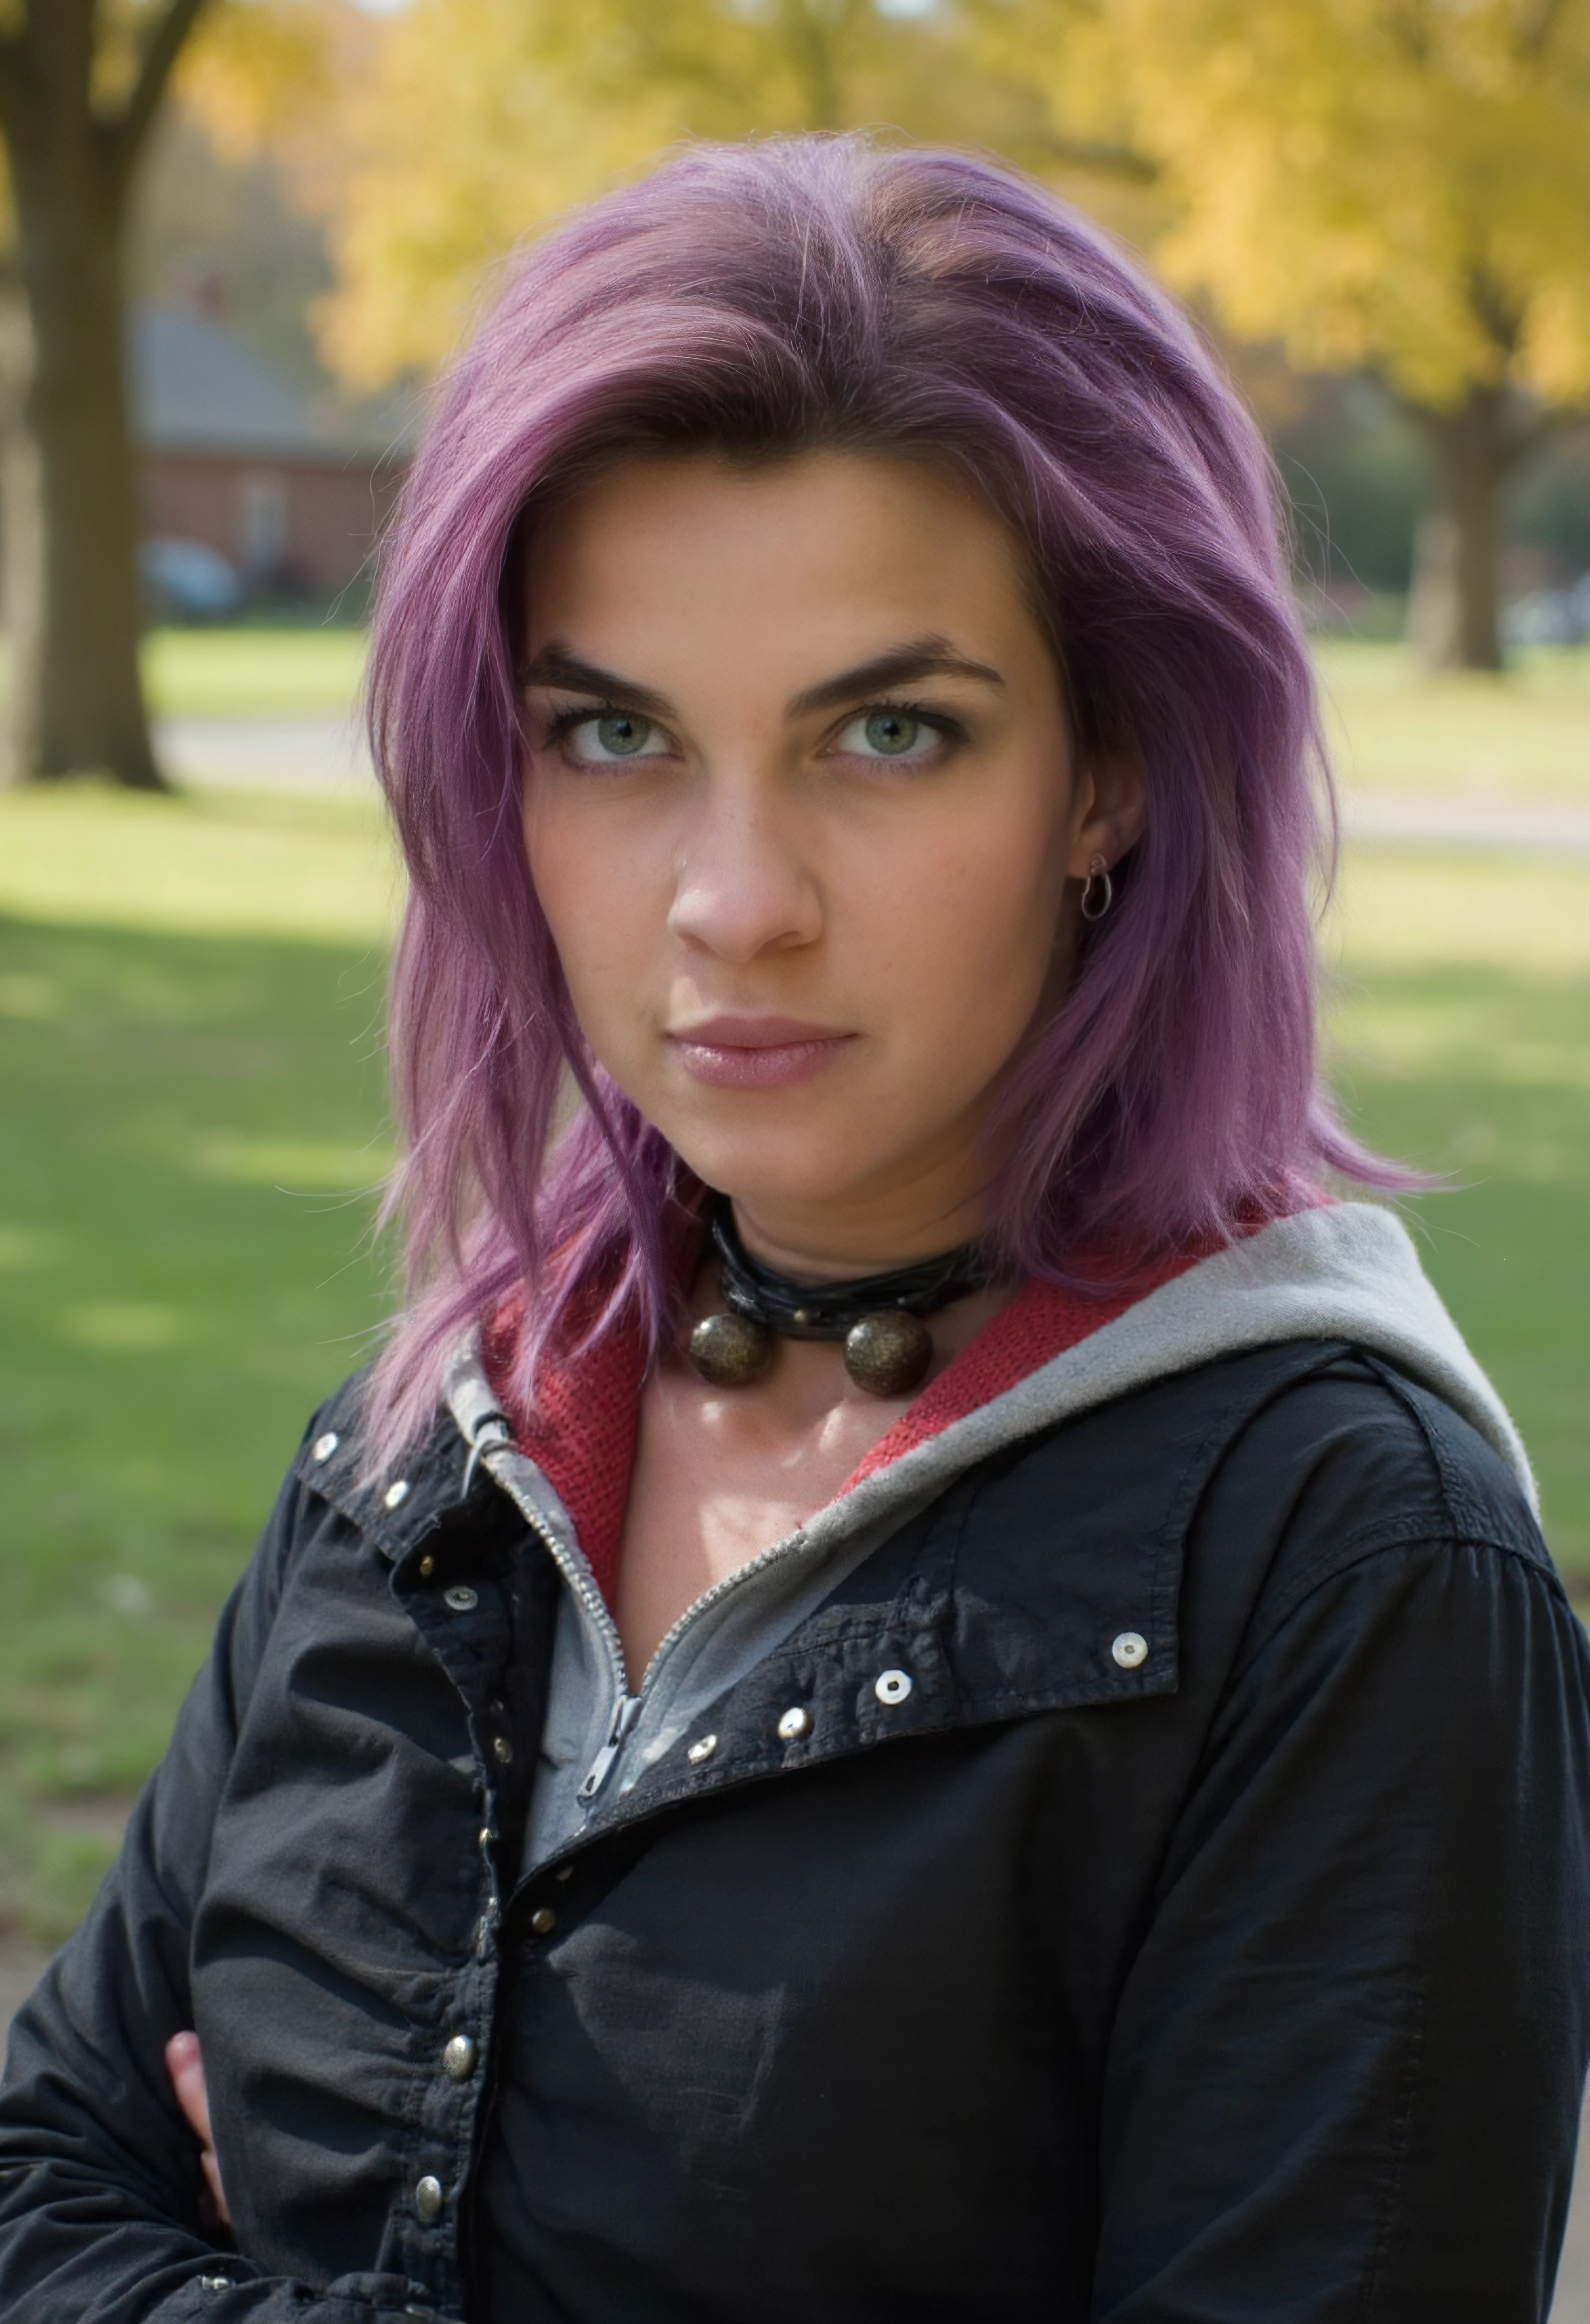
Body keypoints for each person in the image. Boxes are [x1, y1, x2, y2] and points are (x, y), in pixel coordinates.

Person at [1, 135, 1587, 2324]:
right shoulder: (439, 1435)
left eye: (890, 732)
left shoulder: (1343, 1564)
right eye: (617, 732)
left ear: (1110, 769)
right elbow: (36, 2177)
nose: (732, 900)